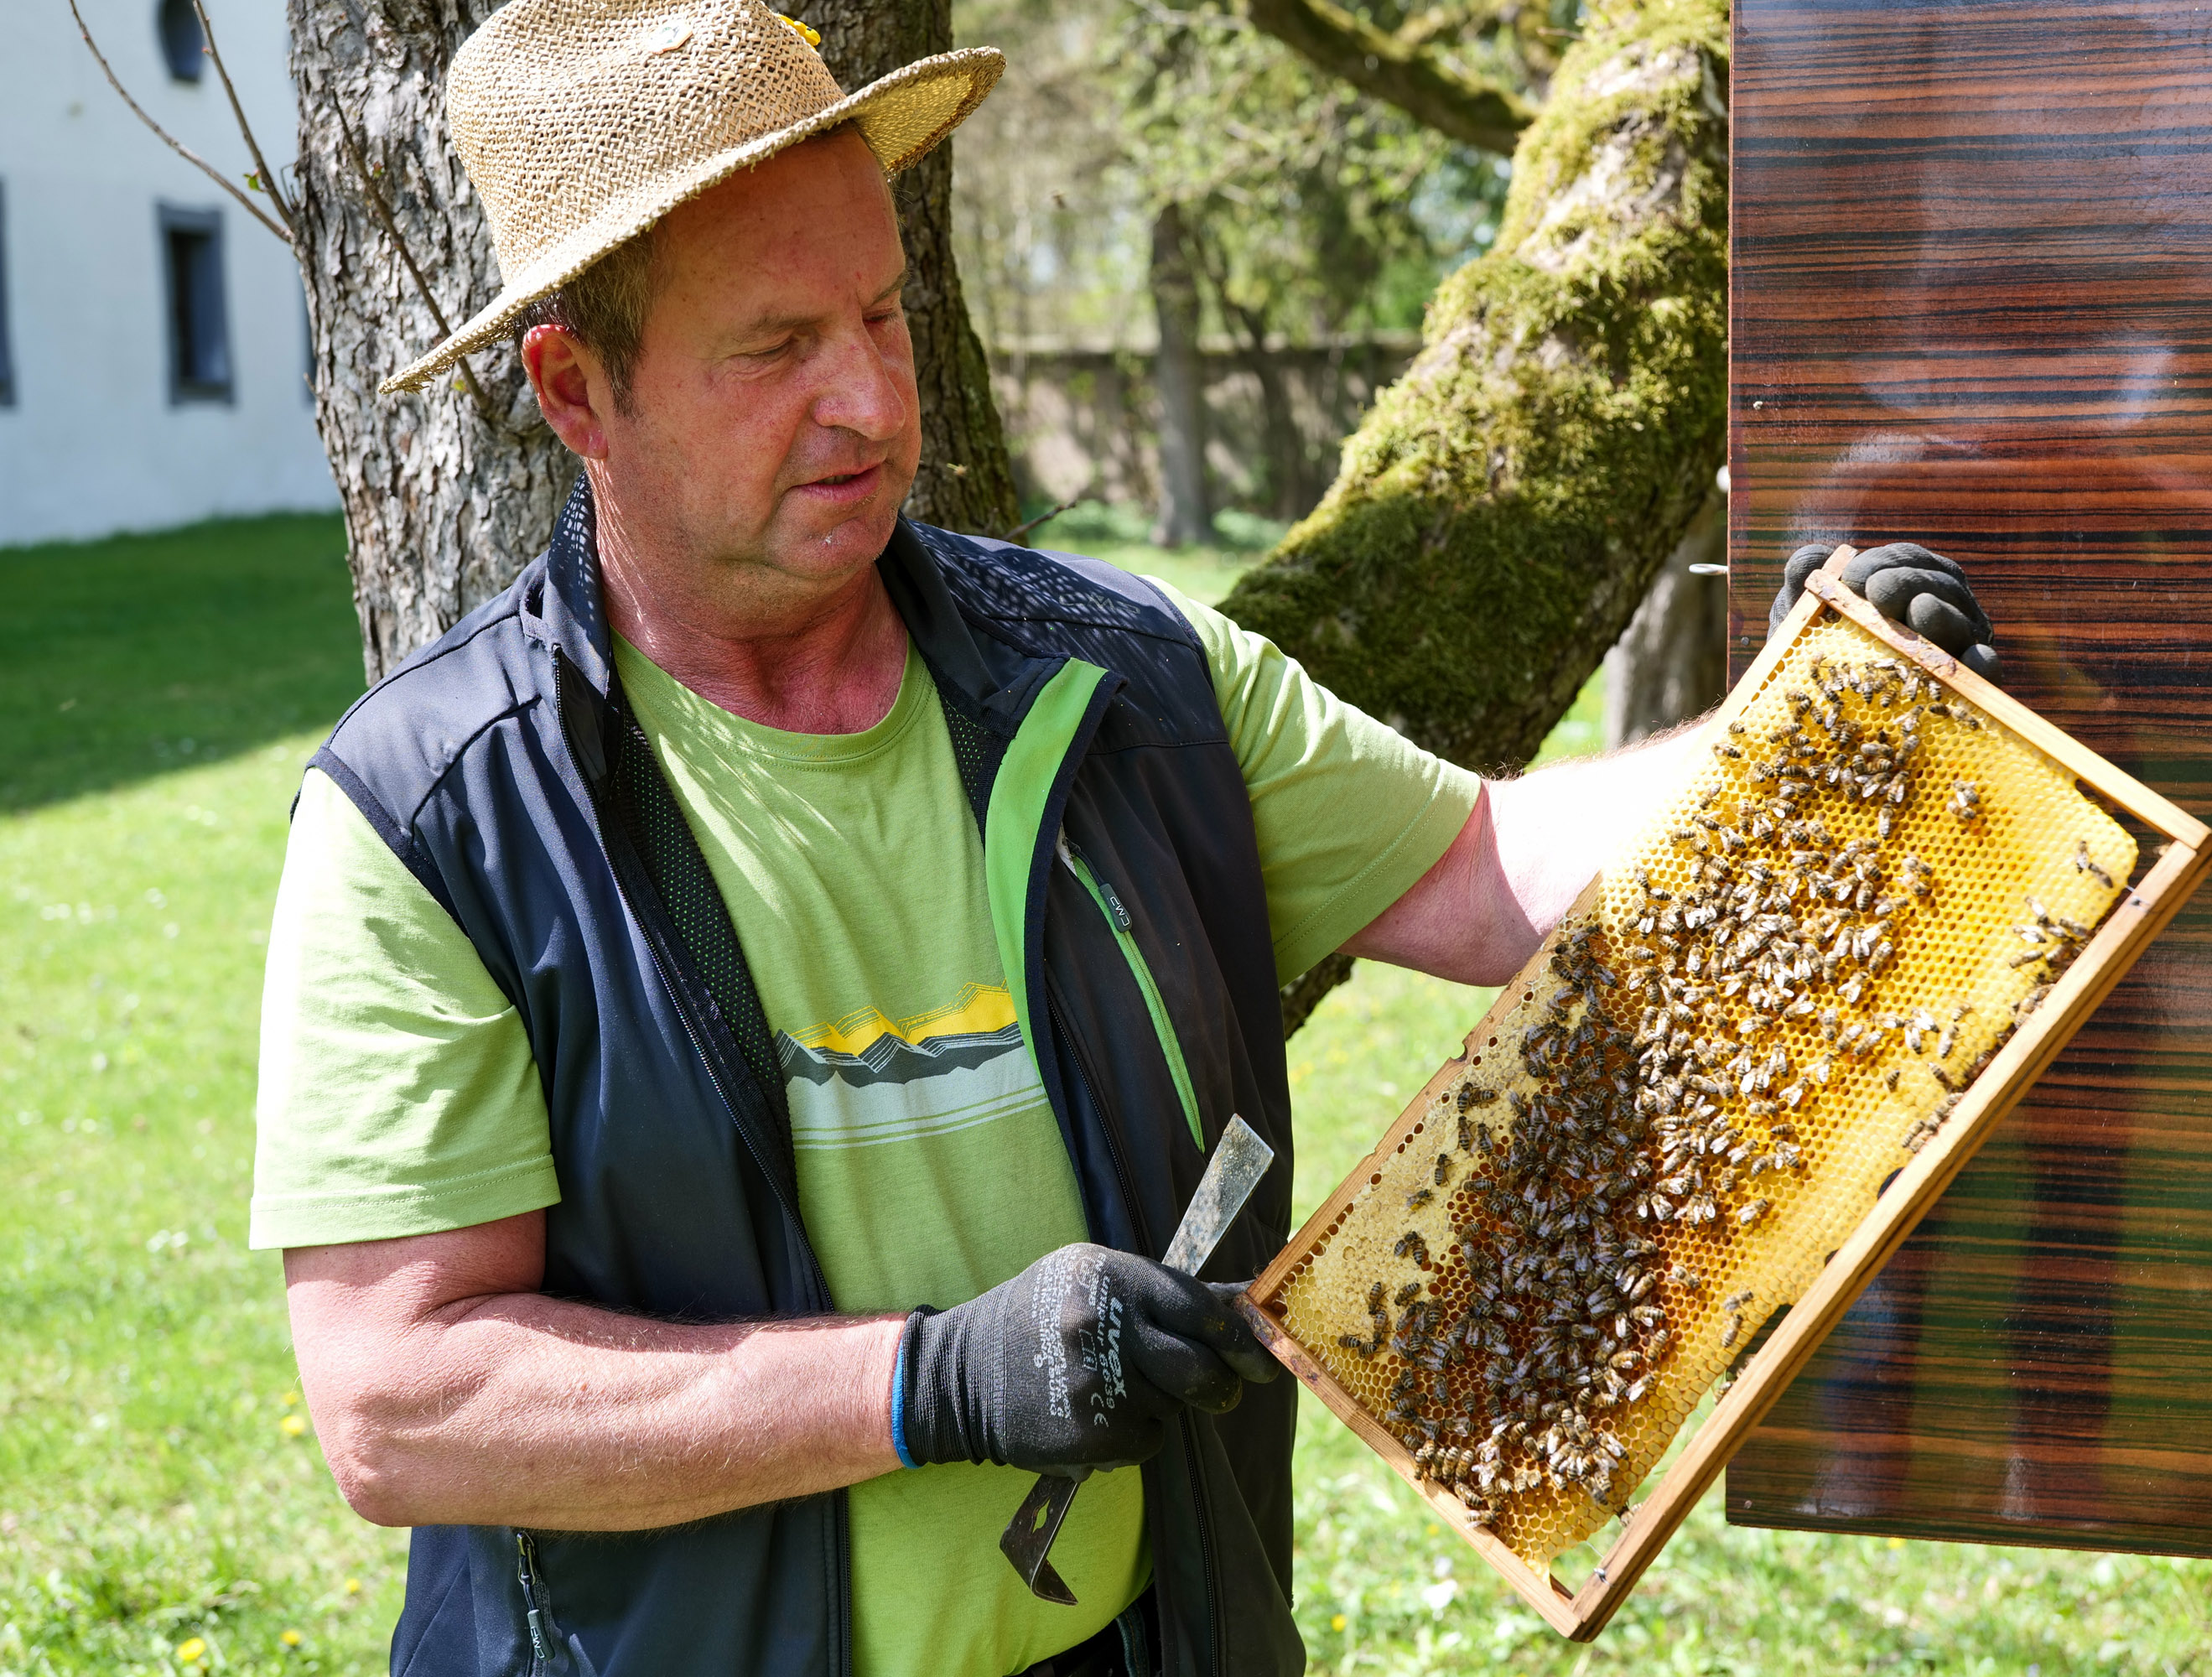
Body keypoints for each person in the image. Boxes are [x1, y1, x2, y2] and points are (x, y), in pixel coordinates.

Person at [250, 3, 1997, 1674]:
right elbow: (399, 1404)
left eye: (879, 315)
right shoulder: (438, 817)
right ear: (576, 394)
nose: (869, 401)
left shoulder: (1124, 677)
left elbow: (1497, 868)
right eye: (778, 350)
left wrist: (1812, 723)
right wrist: (932, 1382)